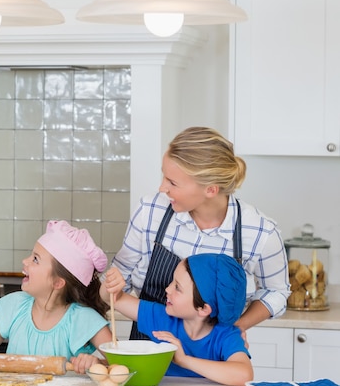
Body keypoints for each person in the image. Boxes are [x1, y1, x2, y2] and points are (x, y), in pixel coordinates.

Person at [114, 127, 290, 340]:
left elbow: (276, 292)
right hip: (147, 347)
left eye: (173, 182)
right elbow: (120, 275)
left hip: (211, 355)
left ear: (210, 190)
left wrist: (235, 329)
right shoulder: (150, 211)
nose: (162, 188)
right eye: (164, 177)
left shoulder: (261, 233)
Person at [0, 220, 113, 374]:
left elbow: (123, 363)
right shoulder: (15, 306)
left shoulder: (83, 319)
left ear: (58, 282)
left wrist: (97, 363)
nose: (25, 261)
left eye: (35, 259)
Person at [101, 253, 254, 386]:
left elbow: (244, 375)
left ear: (203, 309)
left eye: (177, 288)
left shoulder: (226, 335)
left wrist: (183, 360)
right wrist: (110, 285)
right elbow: (114, 299)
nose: (167, 289)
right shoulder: (162, 317)